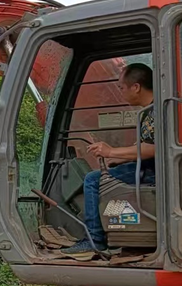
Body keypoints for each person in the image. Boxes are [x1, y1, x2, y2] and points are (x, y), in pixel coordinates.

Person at [64, 62, 156, 255]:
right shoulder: (149, 111)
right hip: (149, 165)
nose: (120, 93)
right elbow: (144, 145)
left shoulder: (155, 112)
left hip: (153, 170)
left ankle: (94, 240)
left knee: (92, 180)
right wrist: (120, 158)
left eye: (121, 88)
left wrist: (111, 152)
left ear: (136, 87)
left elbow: (154, 149)